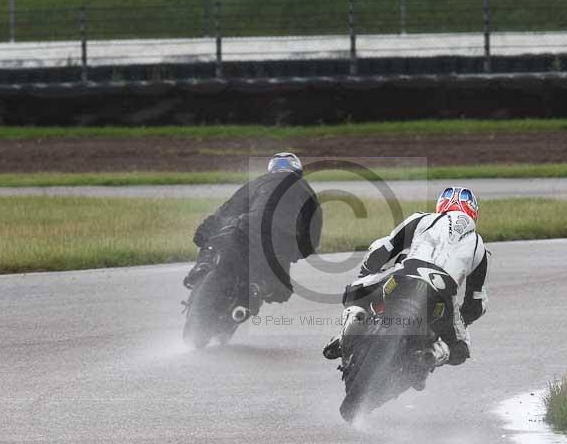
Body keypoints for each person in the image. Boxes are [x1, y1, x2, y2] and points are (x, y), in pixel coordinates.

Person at [323, 186, 489, 384]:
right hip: (442, 298)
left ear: (441, 206)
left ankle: (348, 332)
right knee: (461, 347)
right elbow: (476, 303)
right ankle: (432, 355)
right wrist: (461, 321)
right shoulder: (479, 246)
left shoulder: (422, 218)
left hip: (402, 277)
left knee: (354, 291)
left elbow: (382, 248)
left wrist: (367, 275)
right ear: (473, 212)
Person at [184, 152, 322, 310]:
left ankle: (204, 264)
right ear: (298, 169)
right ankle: (258, 288)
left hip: (246, 225)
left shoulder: (259, 181)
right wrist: (296, 253)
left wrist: (203, 233)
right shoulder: (305, 188)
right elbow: (313, 233)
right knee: (279, 287)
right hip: (281, 238)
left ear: (271, 168)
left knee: (217, 242)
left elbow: (228, 210)